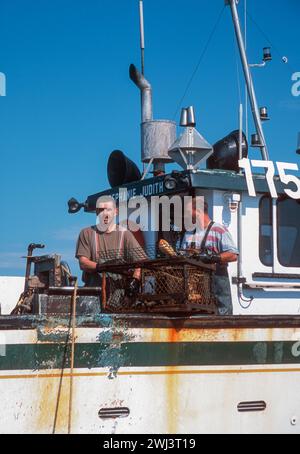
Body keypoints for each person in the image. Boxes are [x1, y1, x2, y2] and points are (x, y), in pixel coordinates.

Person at [75, 196, 147, 299]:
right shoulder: (87, 233)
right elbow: (83, 263)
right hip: (93, 295)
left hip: (119, 296)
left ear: (116, 211)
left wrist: (134, 280)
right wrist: (101, 267)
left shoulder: (125, 234)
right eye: (101, 210)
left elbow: (141, 262)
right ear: (96, 212)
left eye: (108, 209)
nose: (105, 213)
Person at [182, 197, 238, 315]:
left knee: (222, 314)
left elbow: (233, 255)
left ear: (198, 211)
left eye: (188, 212)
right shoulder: (189, 233)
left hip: (217, 283)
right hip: (195, 286)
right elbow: (183, 254)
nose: (186, 216)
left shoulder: (218, 230)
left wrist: (213, 258)